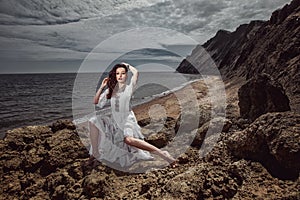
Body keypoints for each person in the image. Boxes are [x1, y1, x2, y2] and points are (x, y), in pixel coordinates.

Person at [85, 62, 177, 169]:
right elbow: (96, 102)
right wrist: (102, 87)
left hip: (127, 119)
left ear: (126, 75)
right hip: (115, 120)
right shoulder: (110, 90)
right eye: (117, 73)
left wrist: (127, 65)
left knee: (128, 140)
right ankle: (95, 153)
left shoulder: (129, 88)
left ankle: (162, 154)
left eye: (123, 73)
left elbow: (136, 73)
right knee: (93, 120)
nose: (120, 76)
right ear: (114, 75)